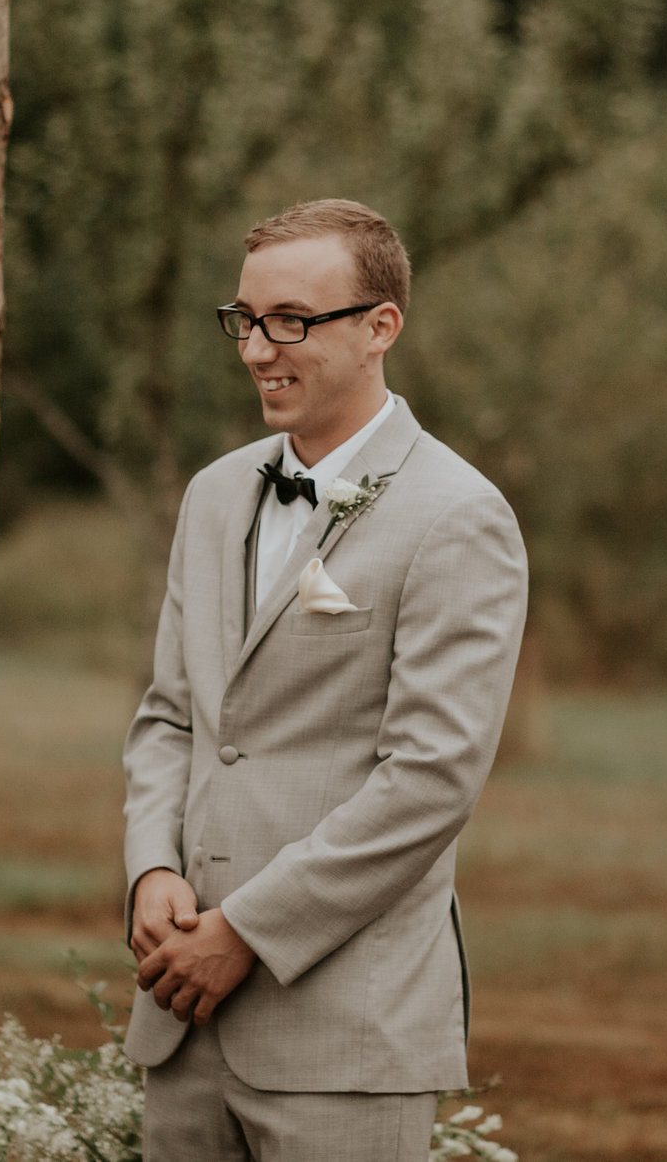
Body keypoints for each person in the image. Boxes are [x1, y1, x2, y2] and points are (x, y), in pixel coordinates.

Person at [120, 198, 529, 1162]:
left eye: (293, 321)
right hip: (181, 1014)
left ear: (381, 326)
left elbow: (431, 777)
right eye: (247, 320)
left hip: (346, 1025)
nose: (261, 348)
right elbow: (173, 718)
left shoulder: (458, 515)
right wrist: (150, 866)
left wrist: (248, 930)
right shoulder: (214, 493)